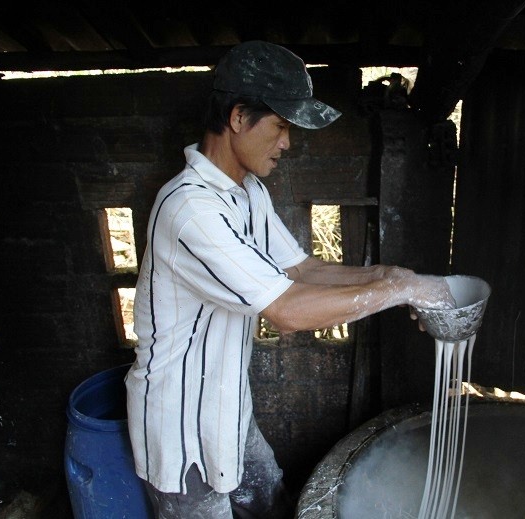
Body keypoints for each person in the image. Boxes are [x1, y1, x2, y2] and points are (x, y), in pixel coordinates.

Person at [125, 40, 455, 518]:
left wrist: (392, 274)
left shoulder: (247, 193)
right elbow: (286, 309)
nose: (287, 142)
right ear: (238, 118)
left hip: (228, 412)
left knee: (274, 504)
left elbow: (300, 270)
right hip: (180, 434)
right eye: (280, 125)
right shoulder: (189, 209)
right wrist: (402, 292)